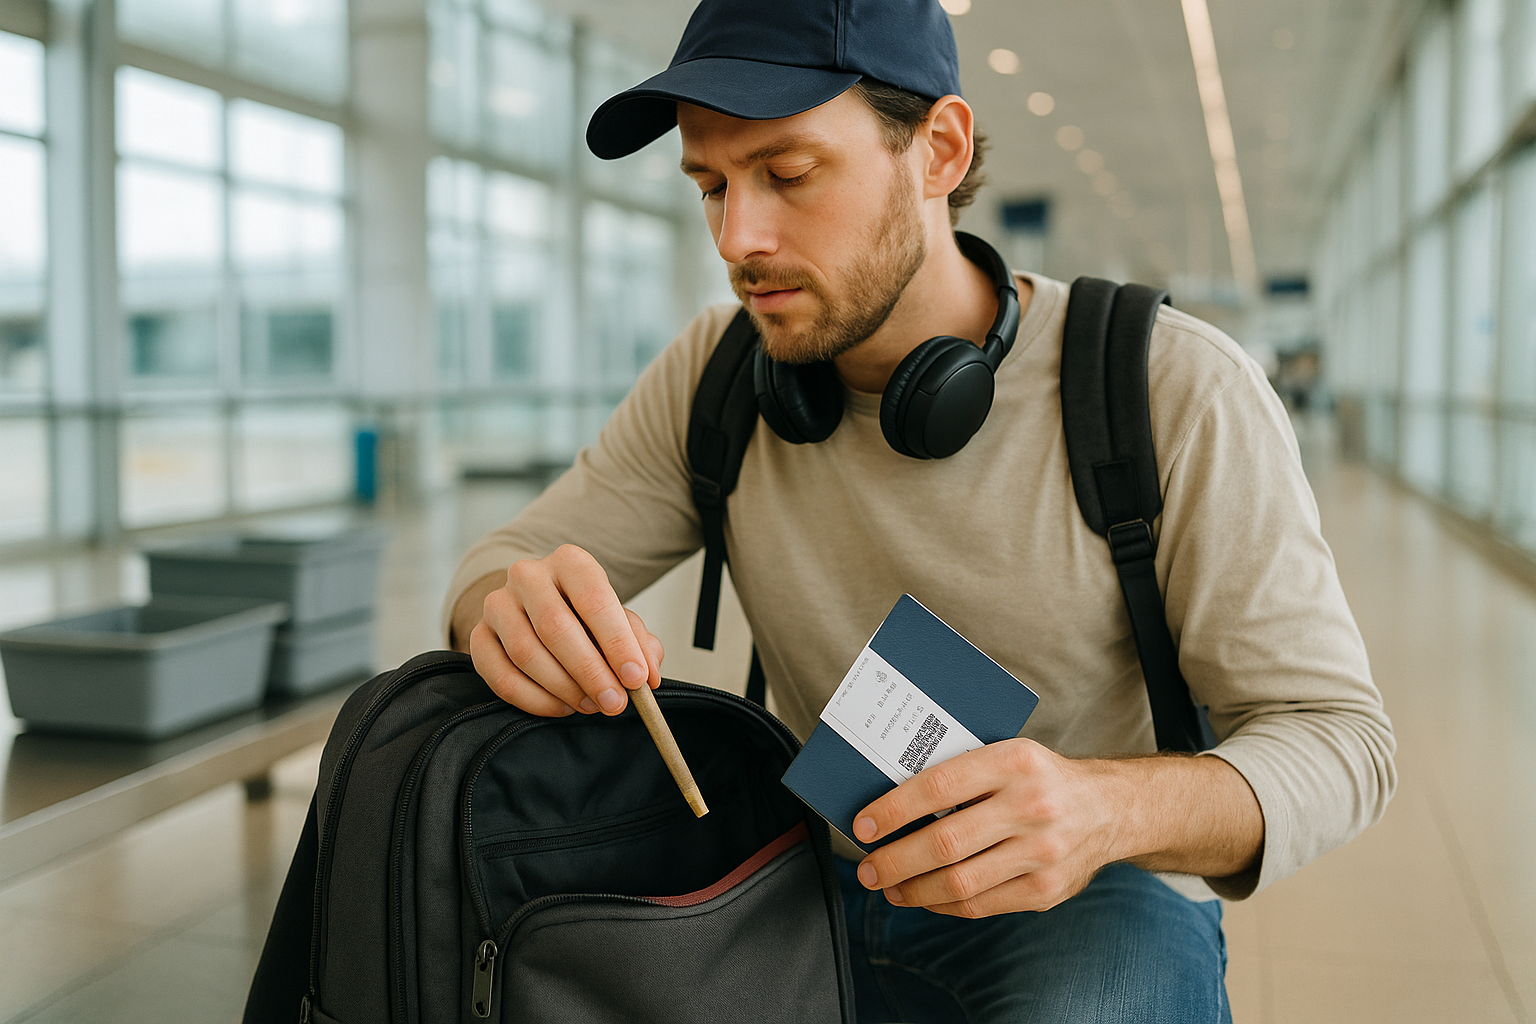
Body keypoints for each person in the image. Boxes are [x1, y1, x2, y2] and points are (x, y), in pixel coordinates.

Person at [441, 0, 1396, 1019]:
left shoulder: (1170, 388)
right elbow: (502, 564)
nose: (737, 238)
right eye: (711, 186)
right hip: (806, 863)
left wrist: (1102, 808)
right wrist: (515, 609)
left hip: (1079, 890)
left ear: (938, 150)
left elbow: (1340, 742)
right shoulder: (716, 376)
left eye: (788, 173)